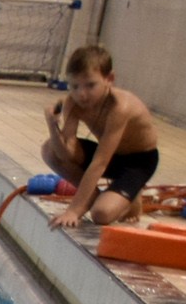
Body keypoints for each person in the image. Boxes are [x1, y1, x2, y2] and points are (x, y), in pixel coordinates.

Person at [41, 44, 160, 229]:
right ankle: (91, 196)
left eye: (90, 85)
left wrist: (74, 210)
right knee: (49, 150)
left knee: (101, 214)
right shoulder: (73, 103)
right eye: (75, 86)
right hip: (112, 157)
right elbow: (65, 153)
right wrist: (52, 125)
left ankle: (131, 197)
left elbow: (99, 163)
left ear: (109, 79)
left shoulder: (120, 107)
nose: (82, 94)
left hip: (138, 162)